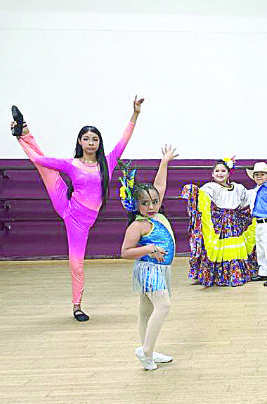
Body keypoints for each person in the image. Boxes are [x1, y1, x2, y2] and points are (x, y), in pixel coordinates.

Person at [9, 97, 144, 321]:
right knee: (45, 168)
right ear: (80, 142)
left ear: (99, 143)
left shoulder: (107, 162)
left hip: (84, 221)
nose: (91, 142)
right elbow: (41, 160)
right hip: (69, 209)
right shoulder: (72, 164)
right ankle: (23, 132)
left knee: (77, 263)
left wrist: (135, 114)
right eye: (86, 138)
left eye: (94, 139)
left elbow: (123, 140)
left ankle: (23, 131)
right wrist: (21, 141)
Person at [119, 145, 179, 371]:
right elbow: (125, 252)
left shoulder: (157, 213)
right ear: (135, 205)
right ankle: (145, 352)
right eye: (145, 203)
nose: (151, 206)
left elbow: (160, 185)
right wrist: (149, 248)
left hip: (161, 269)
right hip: (149, 270)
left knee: (145, 311)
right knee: (163, 306)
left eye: (154, 201)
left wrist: (164, 161)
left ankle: (149, 351)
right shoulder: (138, 225)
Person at [181, 158, 258, 286]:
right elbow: (202, 197)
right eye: (217, 171)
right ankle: (218, 275)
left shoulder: (238, 188)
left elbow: (247, 200)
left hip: (235, 222)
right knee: (219, 246)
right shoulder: (210, 187)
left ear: (229, 173)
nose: (220, 173)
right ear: (212, 174)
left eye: (223, 171)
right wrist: (193, 191)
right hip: (220, 223)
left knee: (235, 245)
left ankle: (235, 274)